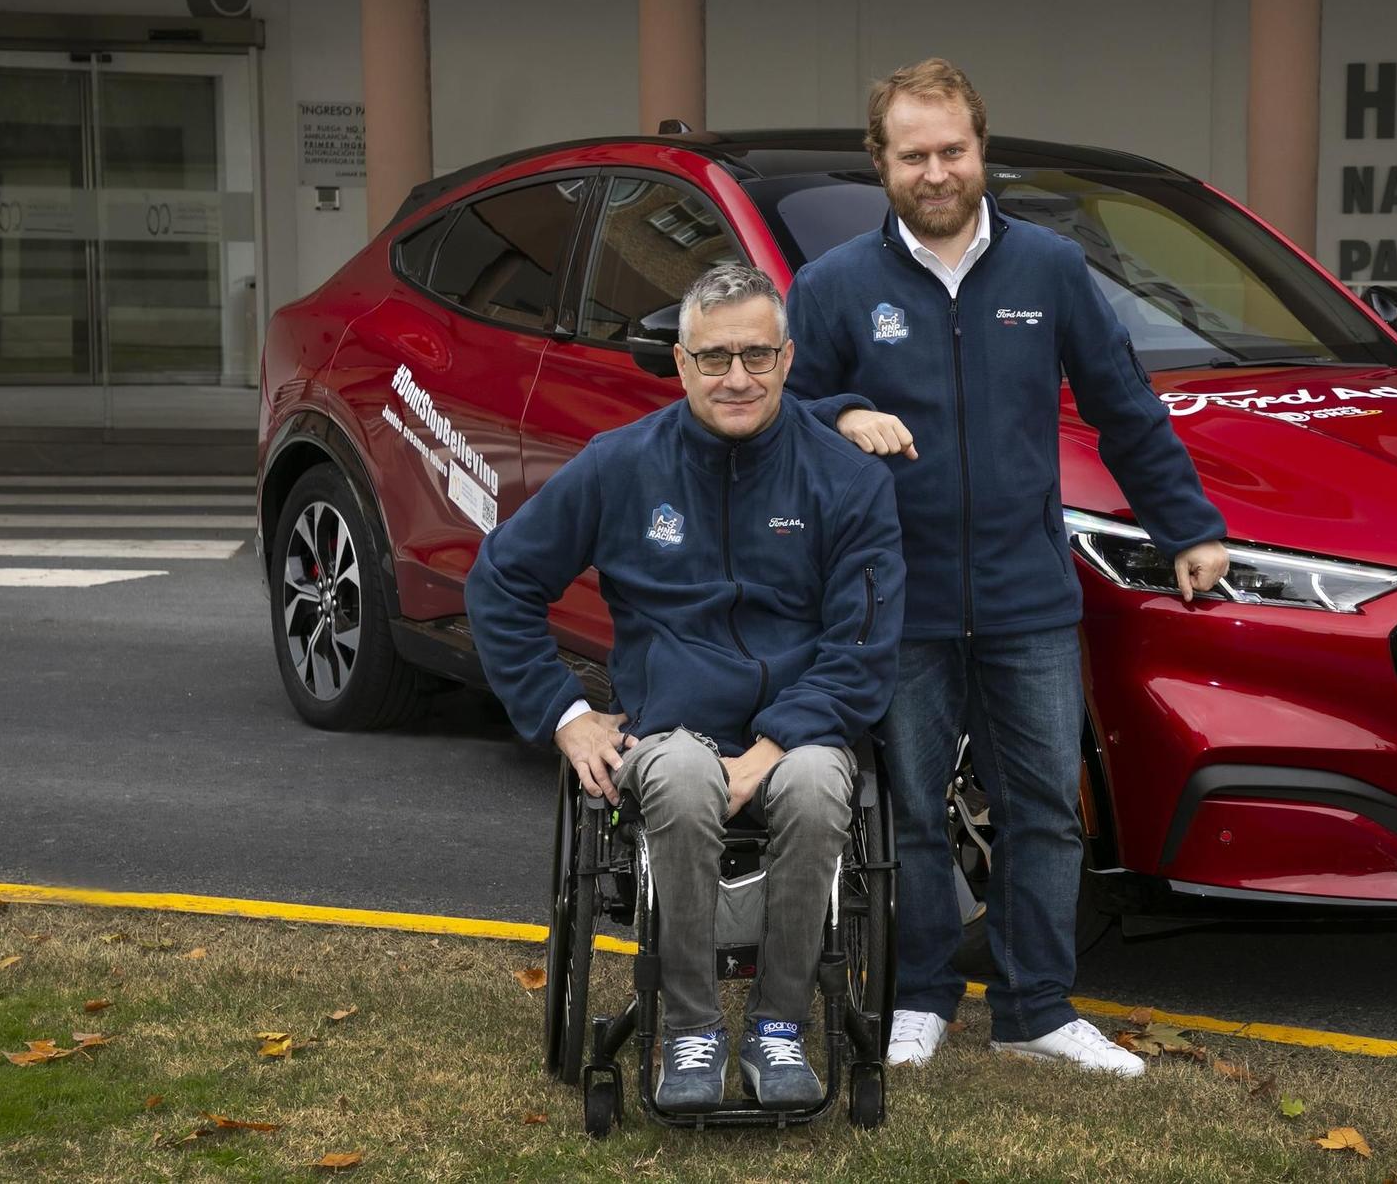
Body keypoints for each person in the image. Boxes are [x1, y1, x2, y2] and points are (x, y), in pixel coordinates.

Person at [785, 58, 1230, 1077]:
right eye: (913, 155)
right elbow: (774, 416)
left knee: (1040, 807)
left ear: (982, 151)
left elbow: (1124, 407)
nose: (935, 171)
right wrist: (838, 412)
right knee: (907, 810)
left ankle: (1037, 1008)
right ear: (879, 164)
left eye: (952, 150)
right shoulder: (834, 287)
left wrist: (1188, 526)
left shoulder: (1050, 270)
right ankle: (920, 996)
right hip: (895, 601)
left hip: (1029, 596)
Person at [466, 265, 904, 1111]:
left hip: (804, 729)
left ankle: (779, 1025)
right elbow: (500, 581)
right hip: (669, 728)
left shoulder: (849, 481)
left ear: (786, 358)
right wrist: (566, 715)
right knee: (680, 774)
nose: (735, 376)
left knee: (818, 787)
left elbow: (863, 643)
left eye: (754, 355)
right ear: (680, 361)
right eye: (713, 358)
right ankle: (692, 1028)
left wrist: (773, 747)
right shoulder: (621, 463)